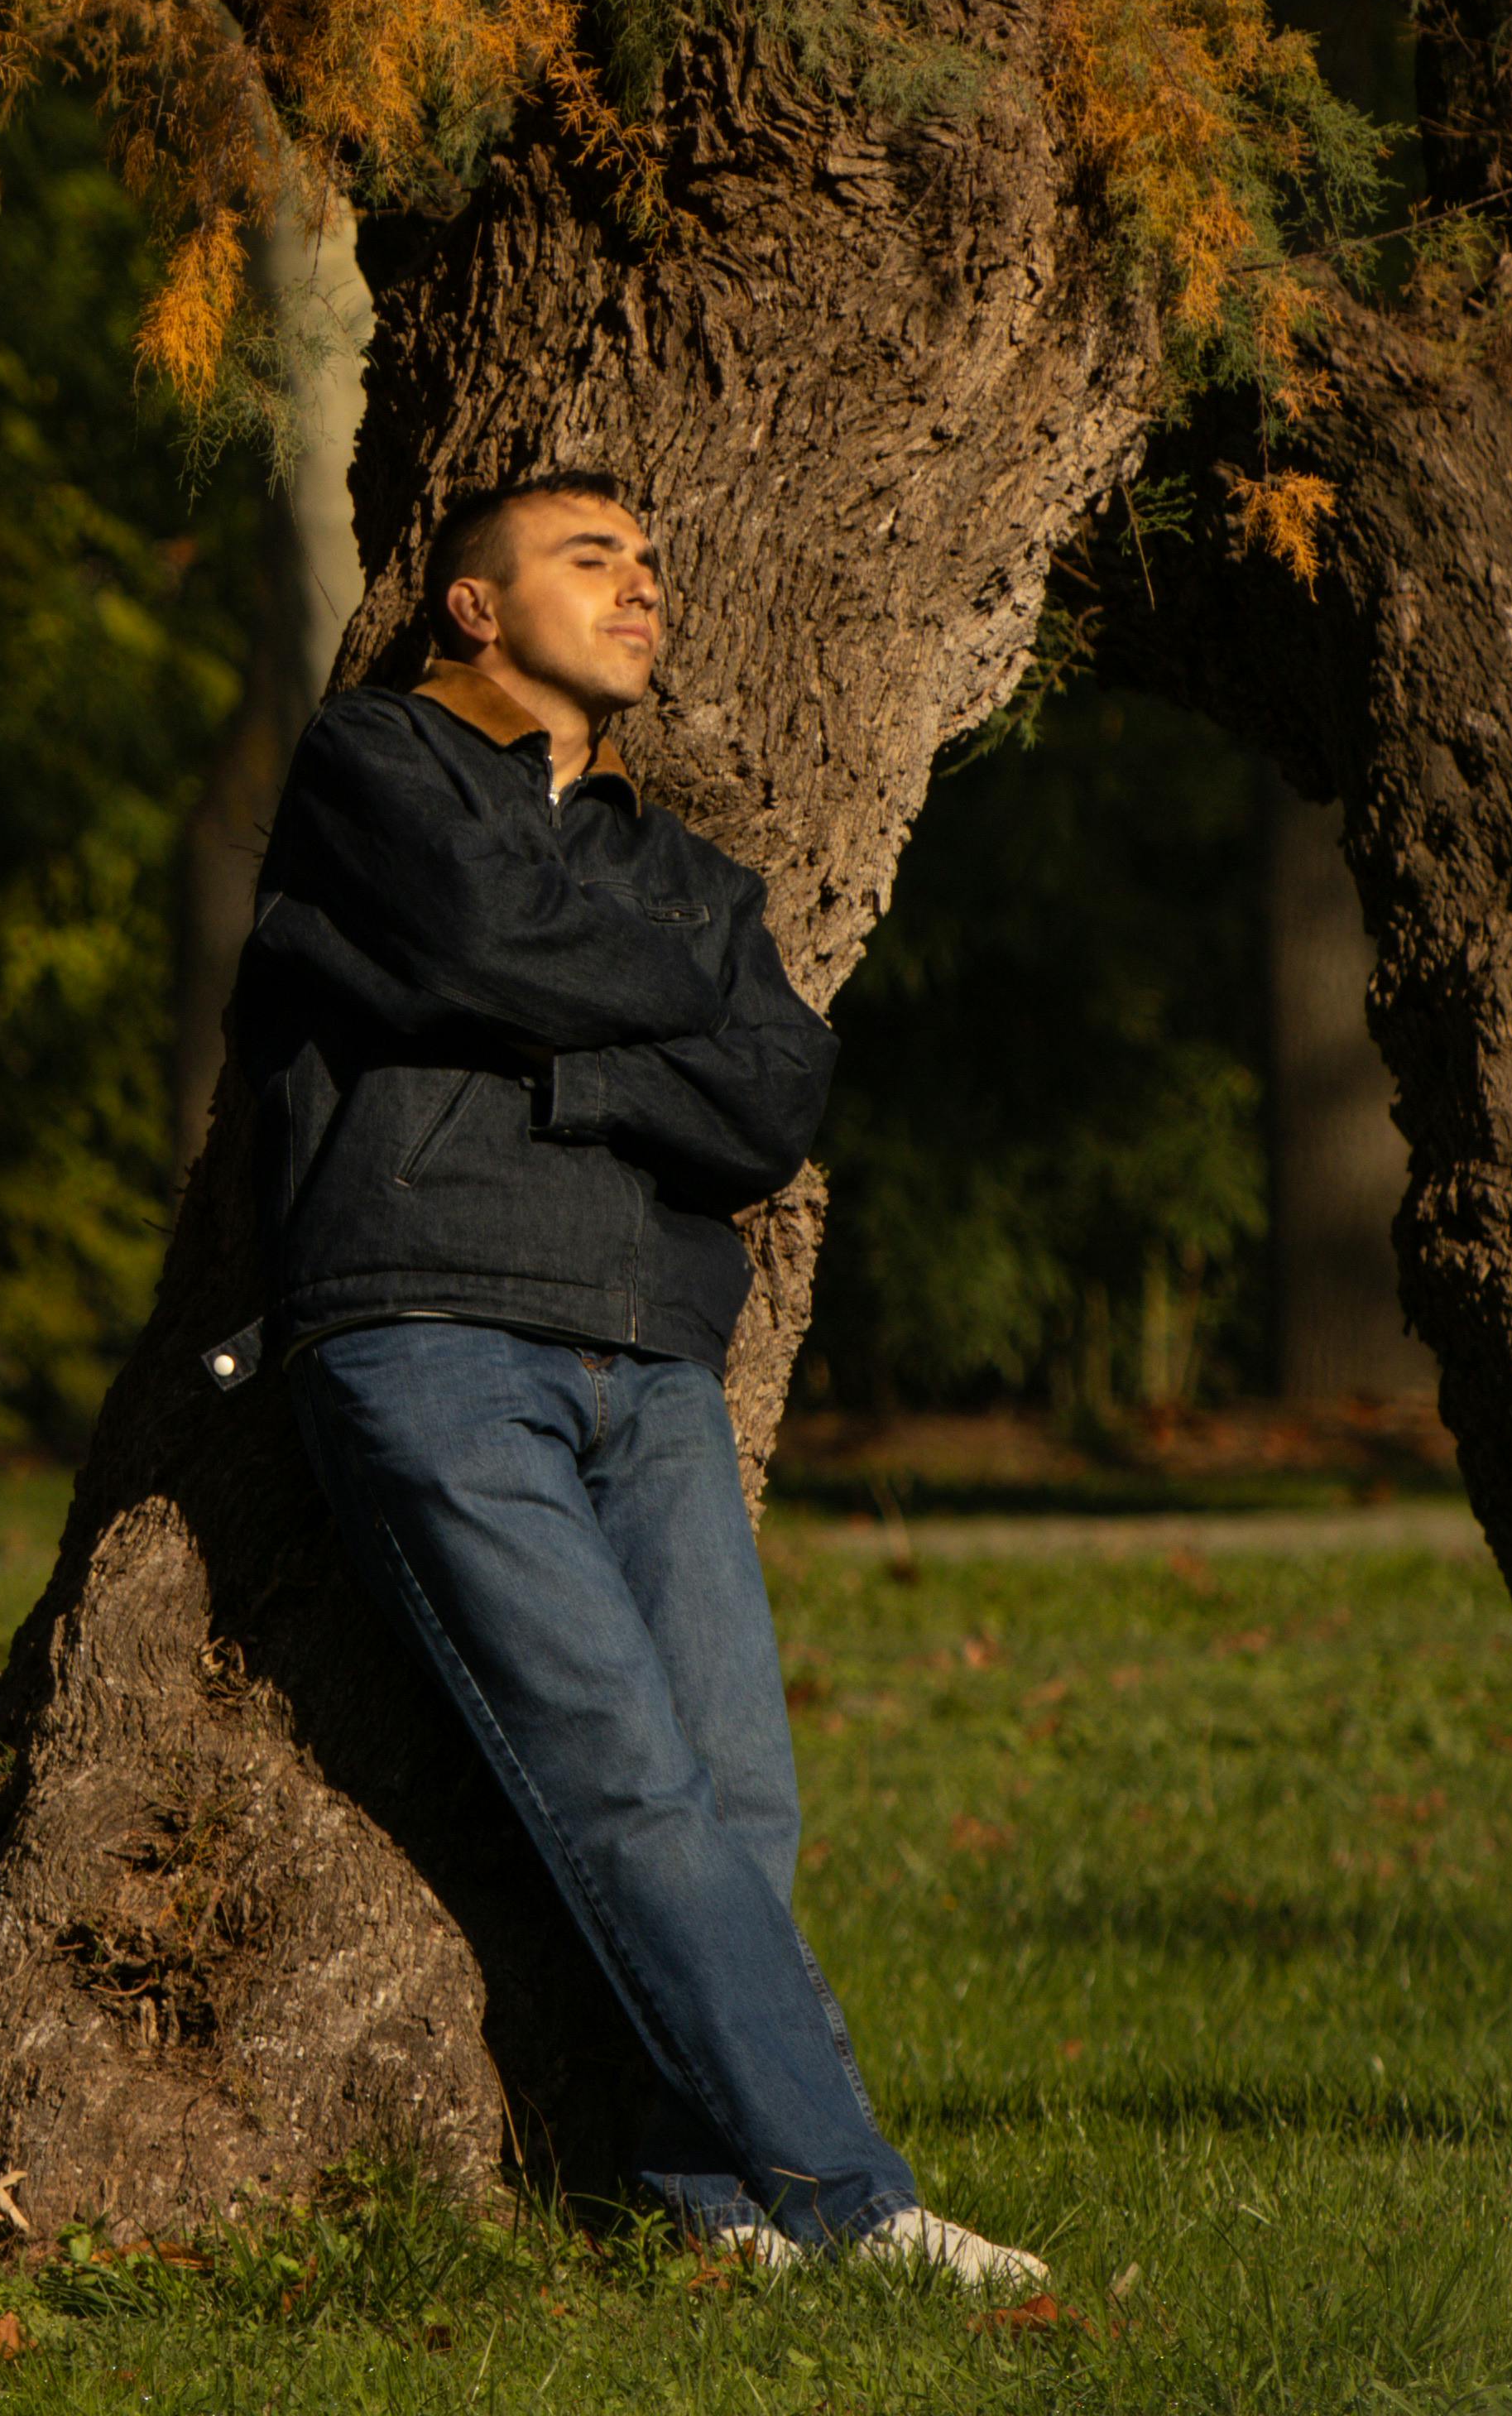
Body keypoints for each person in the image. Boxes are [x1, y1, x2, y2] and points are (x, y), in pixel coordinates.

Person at [224, 468, 1045, 2284]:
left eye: (654, 561)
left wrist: (556, 1068)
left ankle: (718, 2214)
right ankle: (852, 2198)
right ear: (474, 607)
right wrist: (636, 1015)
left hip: (653, 1354)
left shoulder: (688, 871)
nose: (643, 586)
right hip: (429, 1320)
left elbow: (770, 1095)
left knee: (738, 1793)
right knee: (620, 1777)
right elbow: (473, 937)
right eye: (593, 559)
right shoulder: (379, 764)